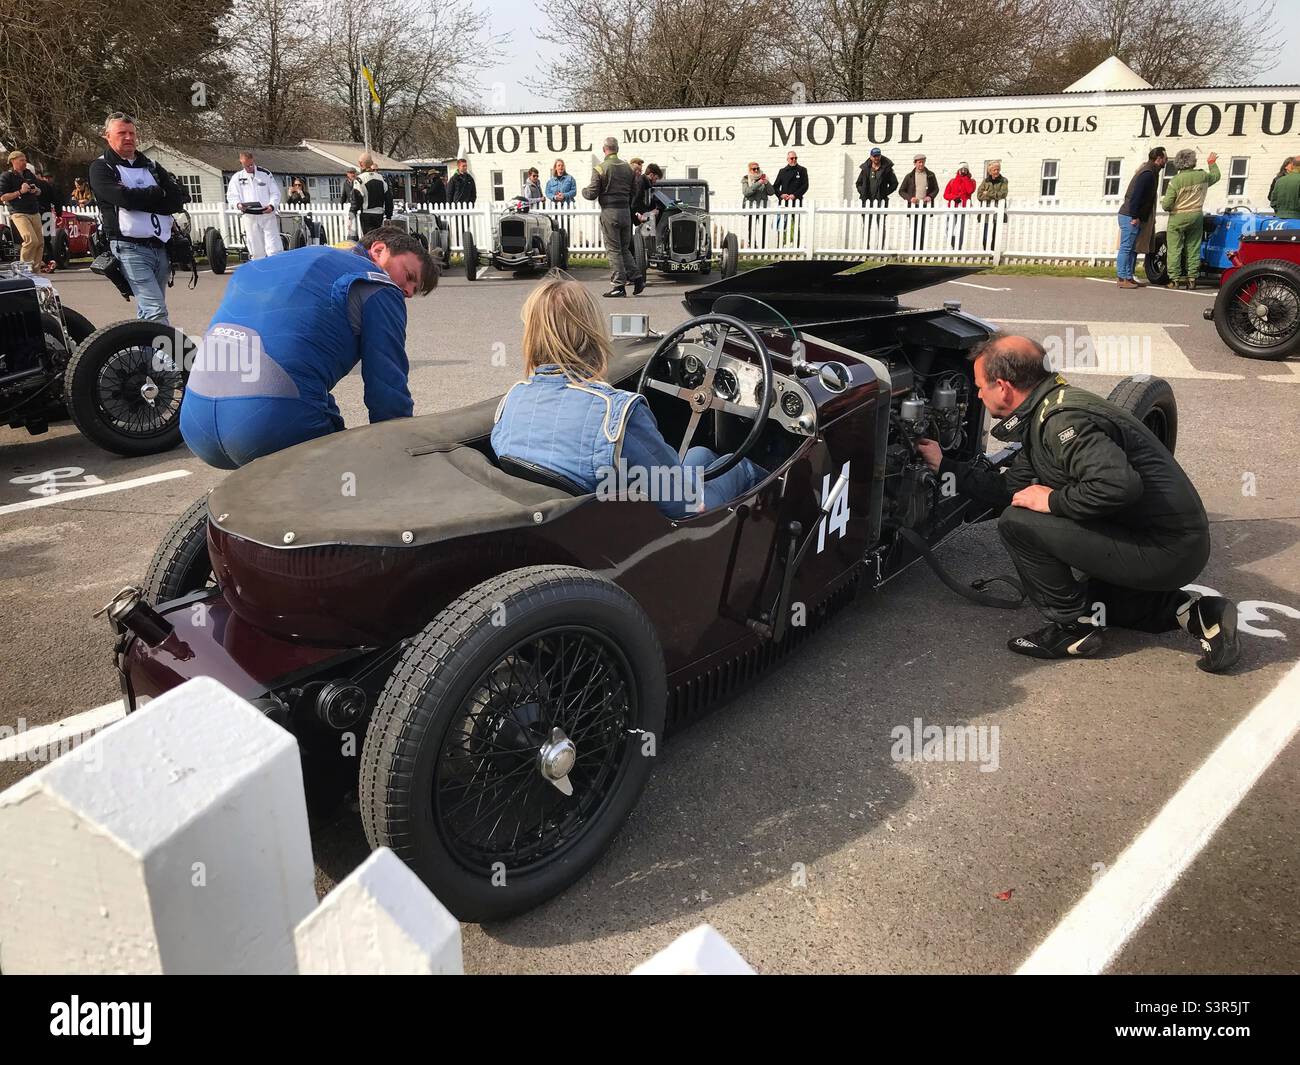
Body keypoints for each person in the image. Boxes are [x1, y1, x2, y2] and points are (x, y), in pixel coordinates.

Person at [914, 334, 1238, 671]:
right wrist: (944, 465)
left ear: (1004, 387)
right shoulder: (1047, 408)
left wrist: (1052, 501)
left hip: (1168, 549)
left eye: (981, 386)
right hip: (1162, 540)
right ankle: (1202, 615)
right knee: (1096, 599)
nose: (979, 393)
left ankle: (1073, 630)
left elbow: (1118, 486)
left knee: (1017, 522)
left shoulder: (1062, 421)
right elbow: (1009, 488)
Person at [491, 277, 766, 518]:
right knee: (740, 465)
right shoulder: (617, 416)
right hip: (645, 526)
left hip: (578, 520)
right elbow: (683, 505)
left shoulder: (511, 403)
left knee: (700, 453)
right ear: (591, 332)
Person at [180, 225, 438, 470]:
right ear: (379, 250)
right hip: (269, 421)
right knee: (354, 485)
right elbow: (387, 388)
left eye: (412, 291)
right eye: (409, 276)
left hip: (194, 419)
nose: (406, 291)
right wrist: (400, 451)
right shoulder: (377, 285)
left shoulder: (274, 262)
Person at [87, 113, 190, 322]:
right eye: (121, 133)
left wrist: (139, 198)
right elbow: (123, 199)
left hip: (159, 246)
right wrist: (156, 192)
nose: (128, 138)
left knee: (148, 310)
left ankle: (146, 354)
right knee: (155, 309)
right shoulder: (101, 167)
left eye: (131, 133)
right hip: (128, 247)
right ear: (108, 136)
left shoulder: (150, 165)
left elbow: (176, 200)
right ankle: (168, 355)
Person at [583, 136, 642, 297]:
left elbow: (592, 193)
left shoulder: (600, 168)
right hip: (625, 212)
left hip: (610, 212)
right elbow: (635, 191)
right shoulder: (628, 168)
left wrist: (584, 191)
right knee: (624, 249)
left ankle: (619, 286)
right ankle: (637, 278)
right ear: (617, 149)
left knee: (614, 250)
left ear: (604, 150)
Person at [1160, 148, 1219, 289]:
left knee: (1175, 248)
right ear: (1193, 161)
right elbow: (1216, 176)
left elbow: (1167, 204)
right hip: (1196, 215)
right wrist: (1212, 163)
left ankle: (1174, 279)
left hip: (1178, 216)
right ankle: (1192, 278)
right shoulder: (1202, 176)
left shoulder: (1176, 181)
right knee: (1193, 247)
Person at [1116, 146, 1167, 289]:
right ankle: (1122, 277)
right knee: (1126, 247)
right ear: (1158, 158)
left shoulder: (1151, 171)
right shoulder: (1147, 173)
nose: (1166, 161)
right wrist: (1135, 216)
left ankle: (1129, 276)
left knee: (1133, 248)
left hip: (1133, 215)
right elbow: (1136, 196)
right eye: (1165, 158)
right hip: (1129, 215)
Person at [226, 150, 282, 260]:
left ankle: (275, 268)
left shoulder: (265, 174)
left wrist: (272, 205)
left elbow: (275, 193)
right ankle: (259, 270)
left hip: (266, 214)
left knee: (273, 246)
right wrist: (238, 205)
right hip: (249, 216)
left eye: (251, 164)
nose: (249, 167)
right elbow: (232, 196)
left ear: (253, 160)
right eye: (246, 165)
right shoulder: (237, 177)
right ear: (241, 163)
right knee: (255, 248)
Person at [0, 151, 46, 269]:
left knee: (40, 243)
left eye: (25, 160)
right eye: (22, 160)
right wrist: (20, 192)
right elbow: (3, 197)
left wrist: (35, 190)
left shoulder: (28, 174)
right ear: (13, 161)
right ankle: (23, 269)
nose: (25, 162)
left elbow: (39, 191)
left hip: (33, 210)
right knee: (31, 240)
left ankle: (35, 271)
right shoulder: (6, 176)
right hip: (18, 212)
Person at [855, 148, 896, 247]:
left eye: (878, 155)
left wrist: (885, 193)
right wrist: (863, 193)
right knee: (866, 225)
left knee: (881, 225)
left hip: (880, 202)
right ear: (870, 156)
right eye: (874, 156)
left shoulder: (887, 168)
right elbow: (858, 183)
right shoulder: (866, 169)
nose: (876, 158)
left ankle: (880, 248)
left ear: (880, 156)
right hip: (867, 202)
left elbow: (894, 183)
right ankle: (866, 247)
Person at [898, 153, 938, 249]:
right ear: (915, 163)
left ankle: (921, 250)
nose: (921, 164)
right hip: (913, 206)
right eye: (919, 162)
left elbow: (936, 189)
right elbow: (901, 191)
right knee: (914, 229)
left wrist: (930, 197)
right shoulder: (909, 176)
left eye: (923, 162)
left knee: (923, 229)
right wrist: (910, 198)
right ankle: (914, 249)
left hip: (925, 206)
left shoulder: (930, 175)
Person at [351, 152, 392, 237]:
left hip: (366, 214)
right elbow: (388, 199)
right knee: (378, 238)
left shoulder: (359, 180)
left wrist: (351, 216)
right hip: (379, 214)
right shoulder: (381, 178)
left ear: (361, 164)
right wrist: (388, 216)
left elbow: (356, 202)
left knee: (368, 240)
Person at [772, 150, 809, 245]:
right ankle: (781, 244)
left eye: (795, 158)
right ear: (787, 159)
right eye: (792, 158)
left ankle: (796, 244)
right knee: (782, 224)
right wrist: (781, 195)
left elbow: (805, 186)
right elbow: (775, 186)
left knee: (796, 224)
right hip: (784, 202)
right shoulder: (782, 171)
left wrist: (794, 195)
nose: (794, 160)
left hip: (796, 201)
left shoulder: (802, 170)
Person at [943, 162, 975, 249]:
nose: (963, 171)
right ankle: (953, 245)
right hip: (953, 208)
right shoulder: (952, 181)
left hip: (964, 208)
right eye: (961, 169)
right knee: (949, 229)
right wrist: (954, 197)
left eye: (965, 169)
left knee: (960, 230)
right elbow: (945, 195)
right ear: (958, 170)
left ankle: (959, 247)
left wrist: (965, 178)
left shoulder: (971, 181)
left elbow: (970, 190)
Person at [977, 160, 1008, 250]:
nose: (996, 171)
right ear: (990, 171)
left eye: (998, 169)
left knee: (996, 235)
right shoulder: (985, 181)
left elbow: (1002, 194)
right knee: (985, 235)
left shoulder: (1004, 181)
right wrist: (993, 195)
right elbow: (979, 195)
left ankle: (993, 253)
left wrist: (988, 193)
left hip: (998, 212)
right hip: (986, 212)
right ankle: (986, 252)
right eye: (994, 170)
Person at [742, 161, 774, 246]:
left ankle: (763, 245)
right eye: (754, 169)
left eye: (757, 168)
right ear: (749, 169)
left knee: (764, 227)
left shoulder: (764, 178)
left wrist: (766, 183)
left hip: (763, 207)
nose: (756, 170)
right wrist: (758, 183)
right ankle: (752, 244)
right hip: (752, 207)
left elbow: (771, 192)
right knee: (751, 227)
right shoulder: (746, 178)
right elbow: (746, 192)